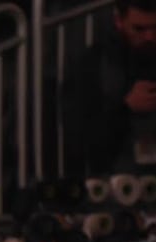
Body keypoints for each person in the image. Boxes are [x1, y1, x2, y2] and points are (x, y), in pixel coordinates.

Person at [63, 0, 156, 176]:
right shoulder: (93, 65)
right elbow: (80, 137)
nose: (150, 37)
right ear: (119, 21)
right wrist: (126, 107)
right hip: (113, 182)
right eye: (139, 29)